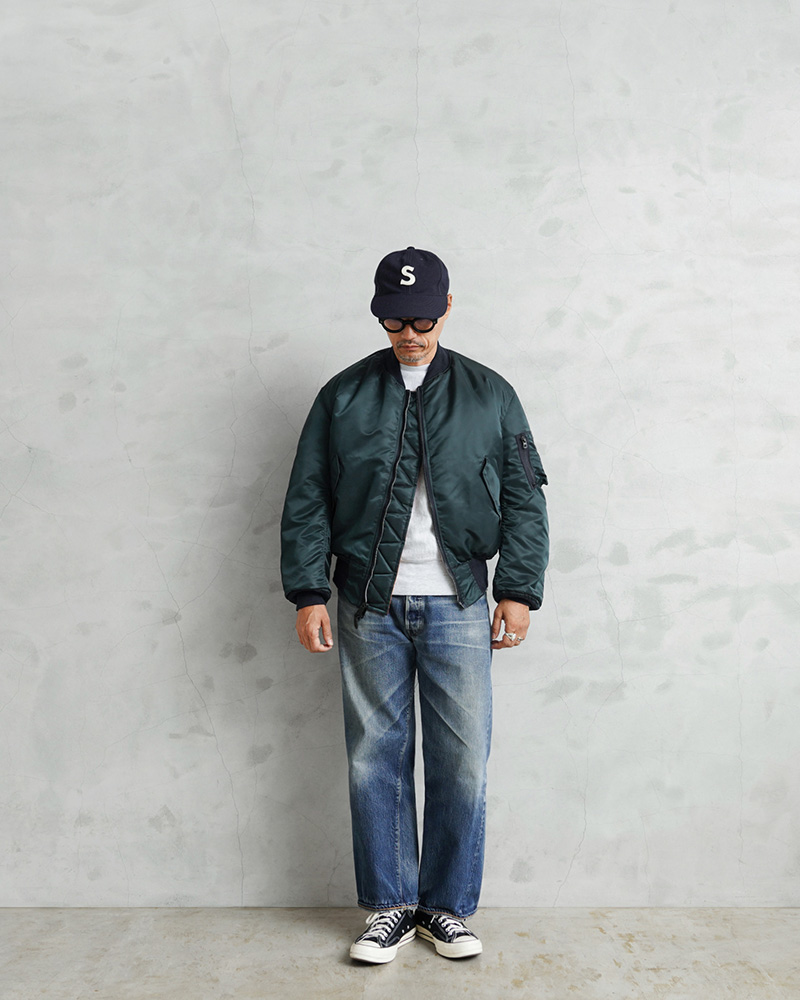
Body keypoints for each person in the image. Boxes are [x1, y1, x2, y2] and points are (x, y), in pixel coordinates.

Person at [280, 247, 549, 964]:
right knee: (375, 759)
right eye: (396, 322)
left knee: (462, 763)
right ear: (379, 317)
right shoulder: (343, 396)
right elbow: (308, 497)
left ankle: (446, 909)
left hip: (460, 601)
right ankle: (390, 907)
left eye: (423, 320)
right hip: (367, 604)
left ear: (447, 309)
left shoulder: (490, 394)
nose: (410, 334)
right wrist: (308, 592)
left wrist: (518, 590)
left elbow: (525, 499)